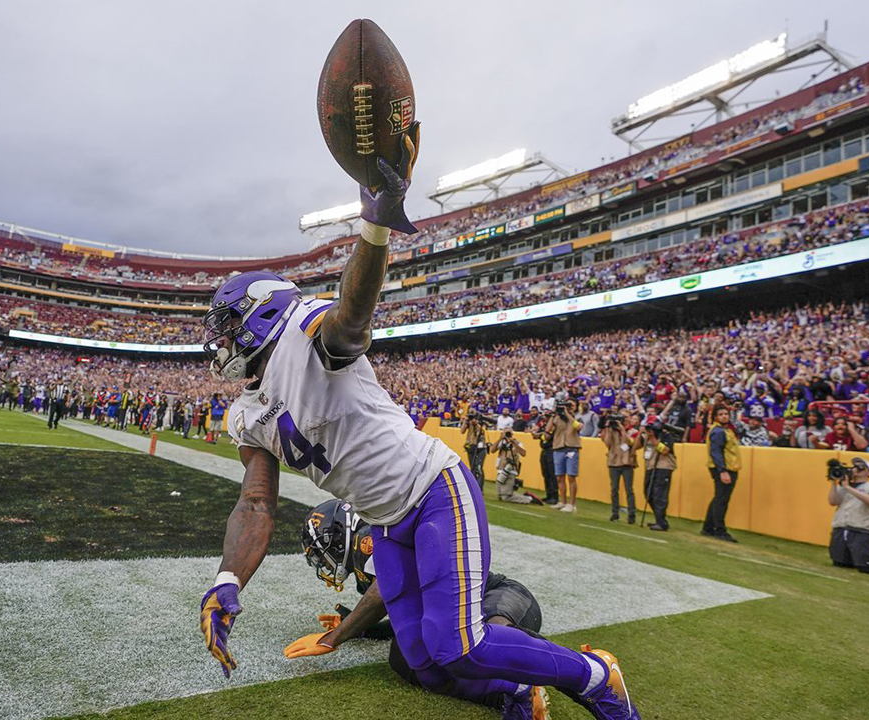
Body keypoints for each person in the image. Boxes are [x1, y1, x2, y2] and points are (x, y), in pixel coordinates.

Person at [199, 127, 639, 720]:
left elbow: (350, 324)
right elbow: (255, 504)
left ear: (262, 314)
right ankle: (515, 693)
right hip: (385, 520)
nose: (218, 340)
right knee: (425, 660)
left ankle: (593, 675)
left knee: (462, 643)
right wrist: (228, 578)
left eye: (227, 324)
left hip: (431, 491)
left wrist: (374, 226)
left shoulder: (307, 335)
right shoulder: (246, 412)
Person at [287, 500, 549, 715]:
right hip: (465, 608)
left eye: (322, 550)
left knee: (483, 642)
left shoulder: (368, 538)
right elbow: (407, 612)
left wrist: (337, 636)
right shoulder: (368, 552)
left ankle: (575, 663)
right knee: (408, 657)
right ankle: (508, 693)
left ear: (340, 535)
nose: (323, 560)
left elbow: (384, 592)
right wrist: (365, 630)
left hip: (499, 596)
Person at [702, 406, 740, 543]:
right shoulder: (719, 432)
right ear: (716, 417)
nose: (725, 416)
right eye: (721, 414)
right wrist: (723, 471)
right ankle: (720, 529)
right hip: (725, 468)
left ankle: (708, 527)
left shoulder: (724, 430)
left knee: (718, 498)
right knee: (722, 500)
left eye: (726, 414)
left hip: (726, 467)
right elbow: (716, 452)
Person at [637, 422, 676, 531]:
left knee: (659, 495)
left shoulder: (666, 435)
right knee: (648, 493)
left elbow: (664, 451)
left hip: (663, 467)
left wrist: (653, 438)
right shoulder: (646, 437)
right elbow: (635, 446)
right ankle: (660, 519)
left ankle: (661, 523)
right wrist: (640, 433)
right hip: (650, 466)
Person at [600, 414, 635, 522]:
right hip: (614, 462)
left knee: (629, 490)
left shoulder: (632, 431)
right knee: (614, 489)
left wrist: (622, 430)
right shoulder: (611, 431)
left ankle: (631, 515)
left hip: (627, 463)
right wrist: (607, 428)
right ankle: (615, 513)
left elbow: (629, 442)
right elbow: (607, 443)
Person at [490, 430, 541, 505]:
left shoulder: (517, 443)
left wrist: (513, 443)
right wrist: (500, 439)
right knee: (500, 496)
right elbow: (492, 450)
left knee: (506, 497)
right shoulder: (502, 442)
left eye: (509, 434)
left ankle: (529, 499)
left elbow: (523, 453)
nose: (507, 435)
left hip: (510, 471)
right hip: (500, 470)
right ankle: (525, 496)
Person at [550, 401, 584, 513]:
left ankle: (572, 504)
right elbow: (548, 429)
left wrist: (567, 414)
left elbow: (578, 427)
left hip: (571, 448)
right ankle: (563, 501)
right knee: (559, 477)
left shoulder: (577, 417)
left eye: (570, 406)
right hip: (559, 447)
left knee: (571, 477)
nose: (568, 408)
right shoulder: (558, 418)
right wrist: (553, 414)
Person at [462, 414, 488, 482]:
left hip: (480, 448)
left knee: (478, 468)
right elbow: (462, 431)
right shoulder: (468, 424)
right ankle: (473, 483)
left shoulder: (480, 425)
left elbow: (479, 432)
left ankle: (480, 486)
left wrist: (475, 424)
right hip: (470, 447)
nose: (471, 420)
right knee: (472, 467)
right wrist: (465, 421)